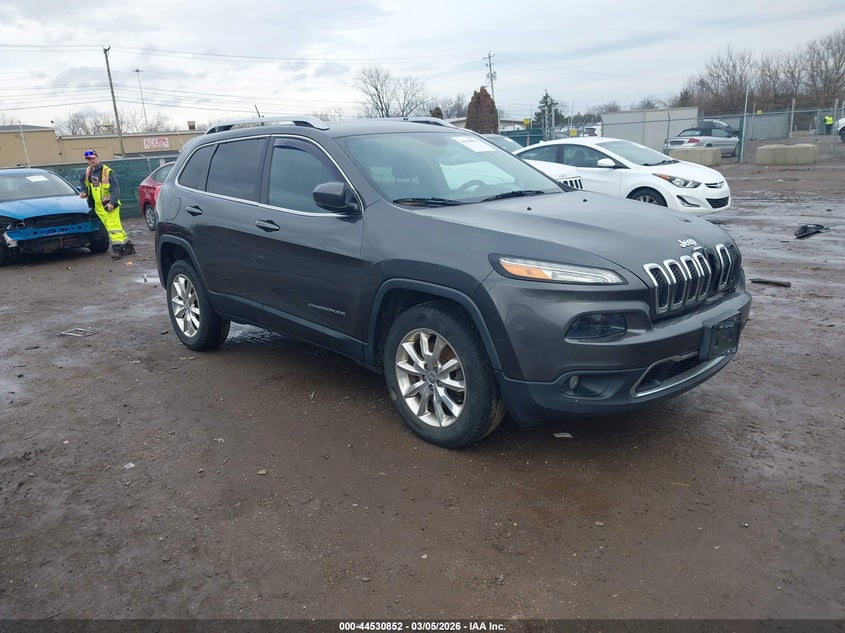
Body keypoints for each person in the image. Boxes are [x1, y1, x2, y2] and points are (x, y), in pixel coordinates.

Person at [79, 150, 135, 259]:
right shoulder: (88, 172)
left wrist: (112, 203)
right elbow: (83, 182)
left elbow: (115, 189)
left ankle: (117, 250)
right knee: (113, 227)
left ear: (97, 157)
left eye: (93, 158)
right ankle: (129, 246)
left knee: (113, 227)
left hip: (110, 205)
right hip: (99, 206)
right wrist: (84, 191)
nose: (91, 161)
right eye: (89, 159)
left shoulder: (107, 172)